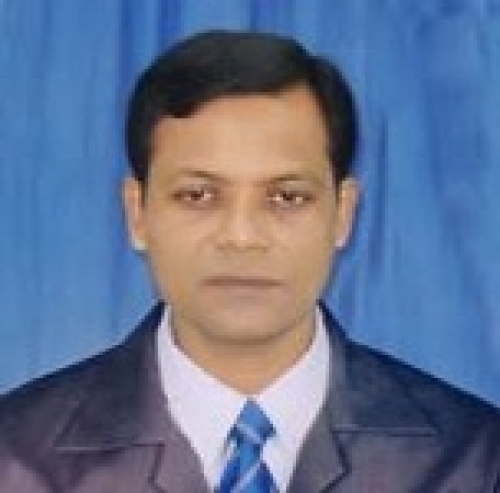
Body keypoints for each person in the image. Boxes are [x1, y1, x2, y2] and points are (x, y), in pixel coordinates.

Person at [0, 30, 498, 493]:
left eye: (287, 197)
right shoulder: (18, 458)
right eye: (197, 195)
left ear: (343, 214)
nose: (241, 238)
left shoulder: (471, 459)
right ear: (137, 214)